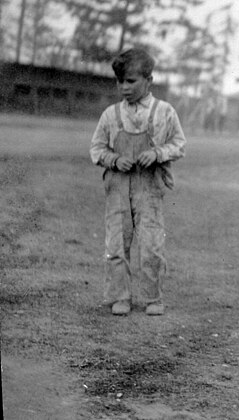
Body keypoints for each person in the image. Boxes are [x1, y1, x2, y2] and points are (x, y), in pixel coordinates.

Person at [90, 48, 186, 316]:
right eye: (120, 81)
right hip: (117, 187)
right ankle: (120, 296)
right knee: (116, 243)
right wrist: (112, 160)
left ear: (149, 80)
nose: (124, 87)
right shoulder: (110, 115)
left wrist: (157, 153)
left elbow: (179, 144)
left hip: (149, 187)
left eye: (131, 81)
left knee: (151, 243)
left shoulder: (164, 112)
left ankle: (153, 298)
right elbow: (96, 149)